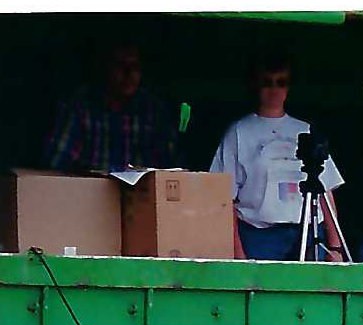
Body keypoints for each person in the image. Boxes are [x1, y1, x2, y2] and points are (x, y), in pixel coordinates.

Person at [210, 52, 343, 262]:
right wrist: (237, 252)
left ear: (288, 87)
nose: (274, 89)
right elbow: (225, 198)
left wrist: (335, 247)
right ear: (256, 85)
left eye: (280, 82)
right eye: (267, 83)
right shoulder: (238, 132)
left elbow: (325, 190)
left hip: (308, 233)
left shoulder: (305, 129)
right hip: (258, 235)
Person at [44, 42, 179, 173]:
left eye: (135, 66)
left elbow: (171, 171)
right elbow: (56, 165)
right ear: (105, 68)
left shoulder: (153, 112)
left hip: (141, 194)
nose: (129, 73)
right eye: (121, 65)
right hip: (88, 192)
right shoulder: (80, 107)